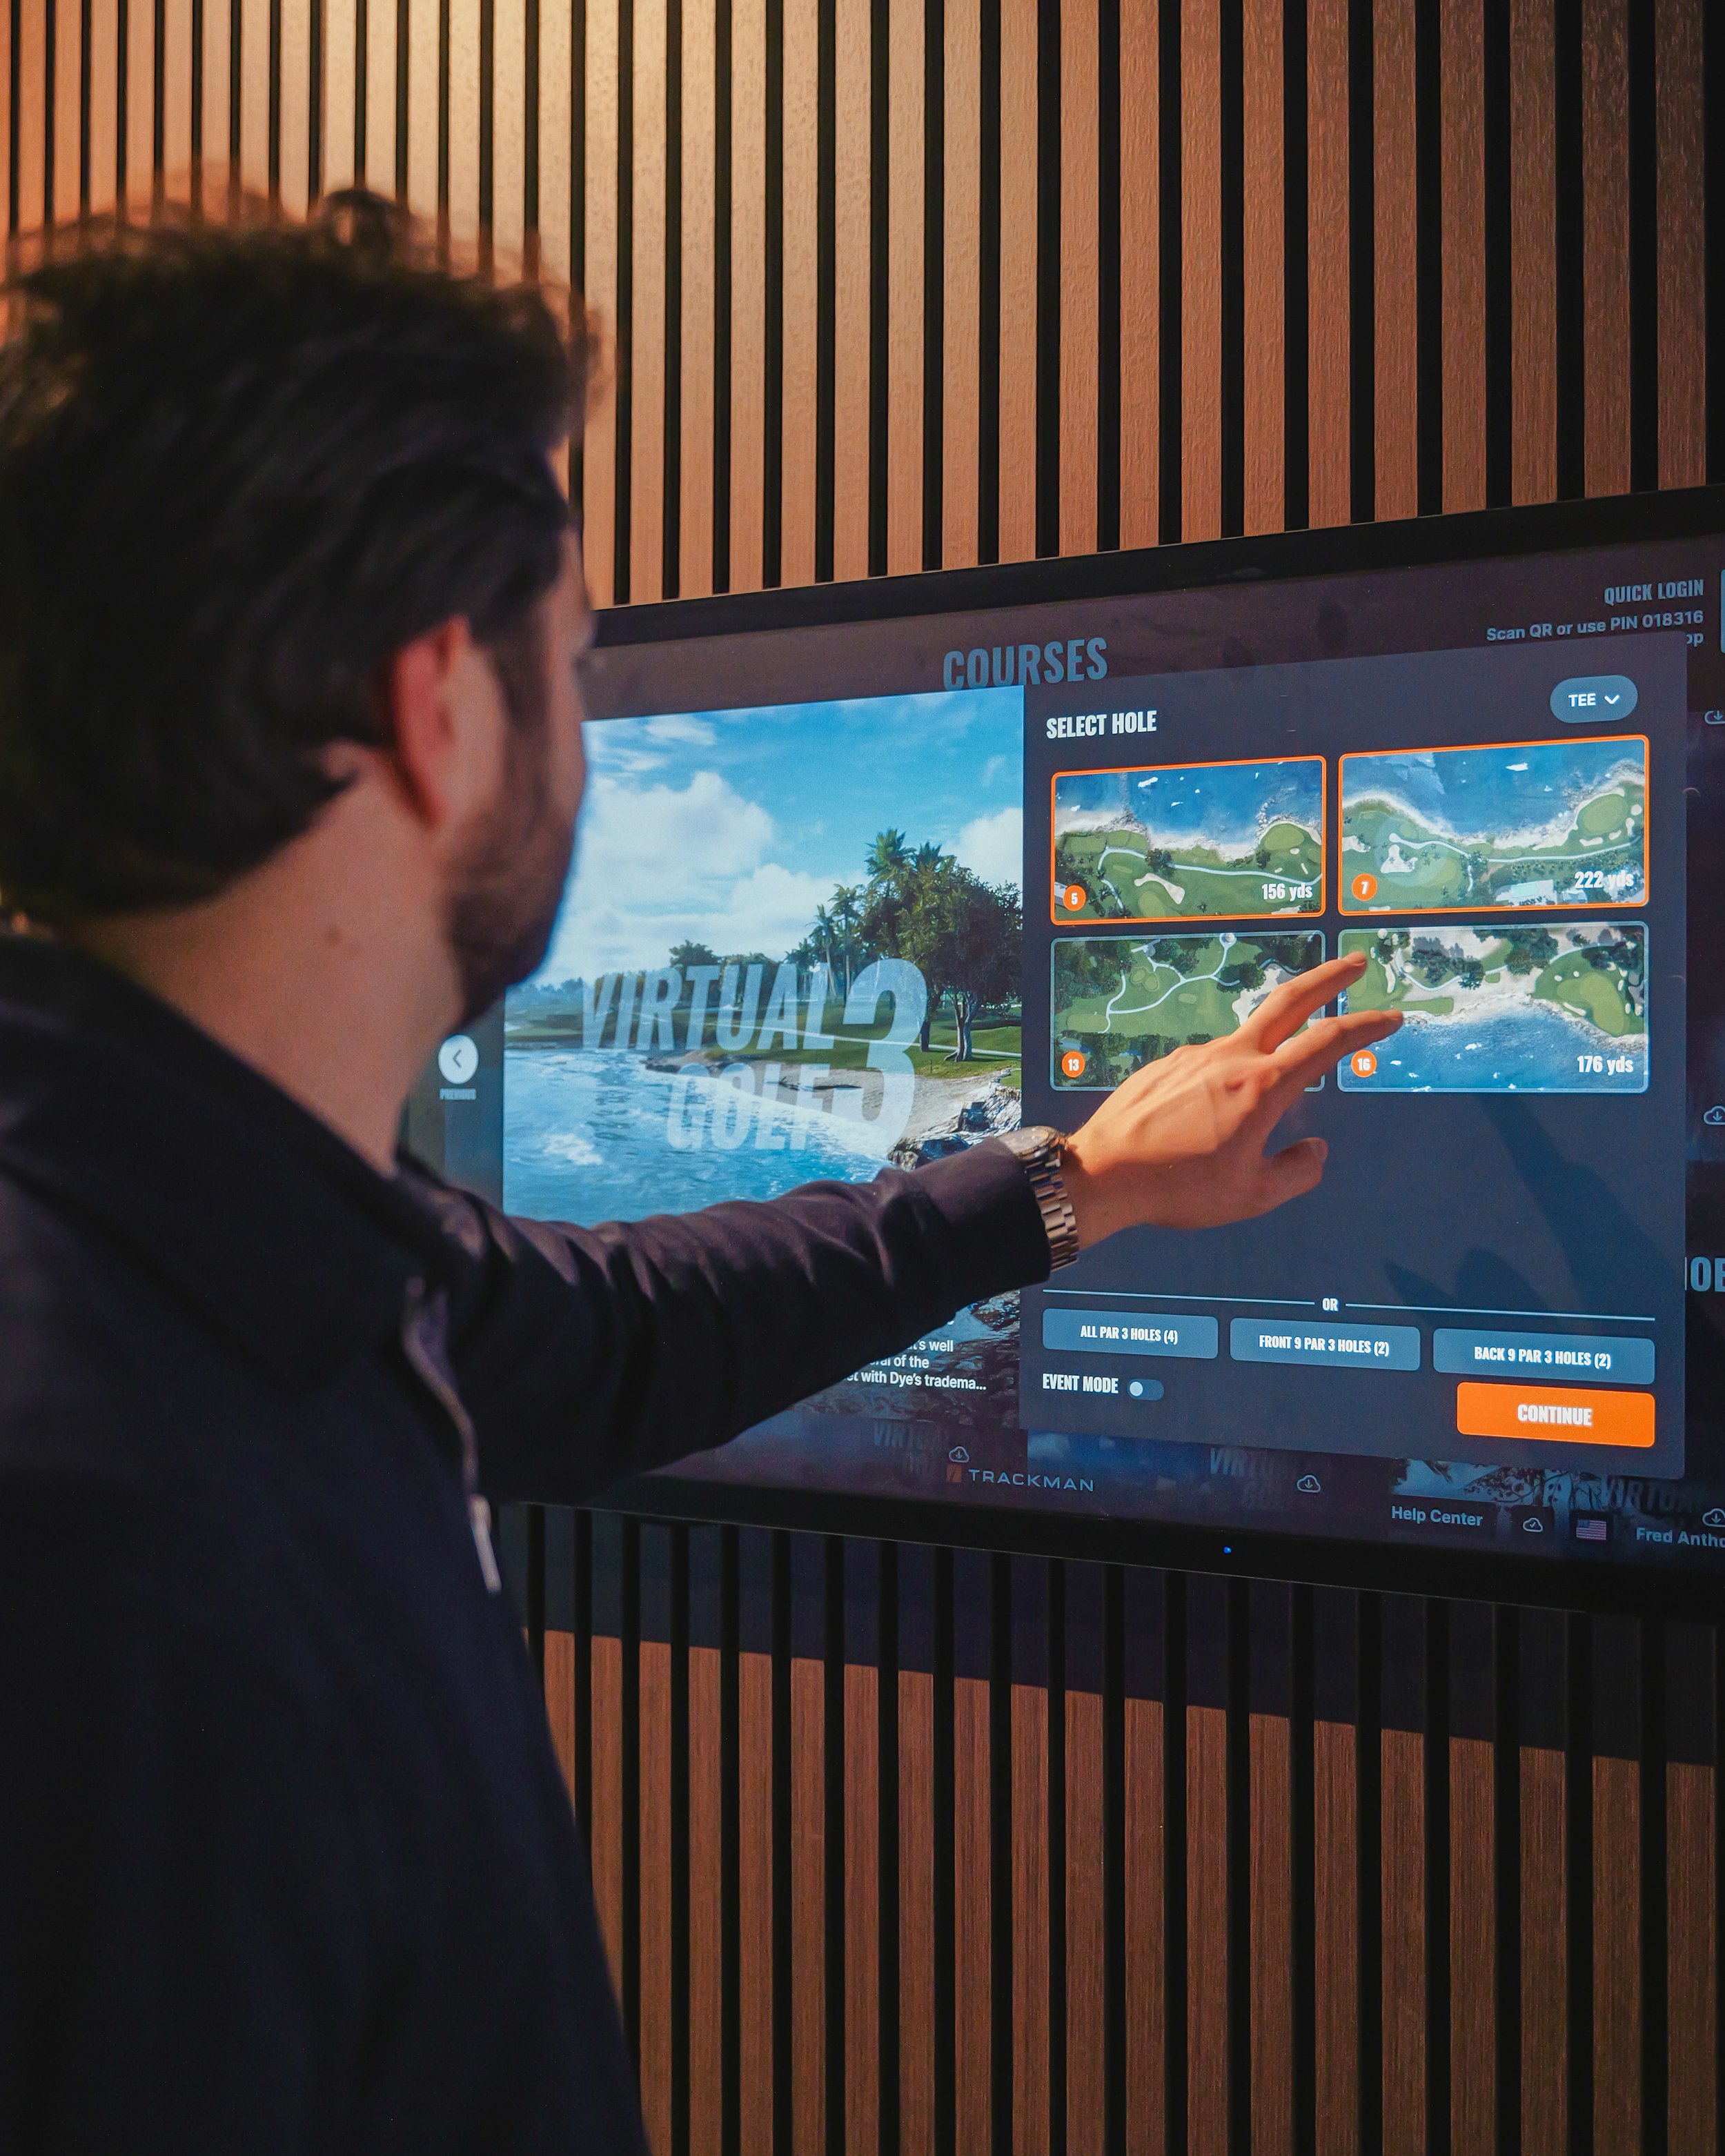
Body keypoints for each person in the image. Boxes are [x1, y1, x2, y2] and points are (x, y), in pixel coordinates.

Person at [0, 192, 1396, 2153]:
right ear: (440, 707)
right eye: (571, 665)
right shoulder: (101, 1526)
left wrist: (1076, 1179)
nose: (578, 726)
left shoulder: (225, 1252)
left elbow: (608, 1335)